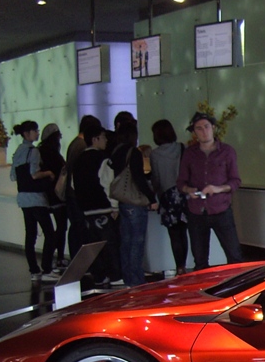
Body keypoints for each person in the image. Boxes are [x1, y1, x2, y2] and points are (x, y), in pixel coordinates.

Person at [176, 111, 244, 269]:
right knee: (200, 259)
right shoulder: (190, 153)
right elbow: (180, 182)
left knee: (234, 255)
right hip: (196, 211)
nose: (203, 131)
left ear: (213, 128)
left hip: (221, 208)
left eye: (206, 127)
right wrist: (188, 190)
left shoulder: (227, 151)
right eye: (198, 128)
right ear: (194, 132)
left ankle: (237, 284)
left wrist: (218, 189)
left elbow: (235, 181)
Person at [70, 121, 120, 285]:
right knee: (110, 243)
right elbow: (109, 184)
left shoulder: (79, 160)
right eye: (103, 137)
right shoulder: (102, 159)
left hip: (86, 210)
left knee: (92, 245)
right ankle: (115, 276)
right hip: (103, 208)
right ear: (95, 139)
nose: (106, 140)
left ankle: (99, 276)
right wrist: (114, 206)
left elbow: (73, 185)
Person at [109, 121, 157, 287]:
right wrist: (151, 198)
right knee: (137, 242)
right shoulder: (133, 153)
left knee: (126, 241)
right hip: (135, 202)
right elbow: (138, 178)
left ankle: (128, 277)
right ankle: (137, 279)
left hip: (122, 201)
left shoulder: (115, 152)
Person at [10, 120, 57, 282]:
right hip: (36, 197)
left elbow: (13, 176)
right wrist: (49, 173)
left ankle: (34, 270)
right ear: (27, 133)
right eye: (35, 131)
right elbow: (34, 174)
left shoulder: (18, 151)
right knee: (50, 234)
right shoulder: (34, 151)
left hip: (23, 198)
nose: (37, 133)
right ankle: (47, 269)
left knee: (30, 235)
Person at [149, 118, 189, 275]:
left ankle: (179, 266)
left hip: (167, 196)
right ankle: (184, 266)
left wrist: (156, 195)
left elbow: (156, 179)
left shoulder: (155, 154)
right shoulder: (182, 148)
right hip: (183, 194)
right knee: (183, 232)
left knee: (174, 235)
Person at [64, 114, 101, 259]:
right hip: (76, 193)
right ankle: (80, 263)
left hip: (71, 193)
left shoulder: (74, 143)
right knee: (80, 229)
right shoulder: (82, 146)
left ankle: (77, 262)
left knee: (76, 228)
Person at [37, 123, 68, 269]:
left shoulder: (40, 152)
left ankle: (52, 259)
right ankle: (58, 258)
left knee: (56, 228)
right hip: (58, 194)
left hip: (47, 194)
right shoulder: (53, 153)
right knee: (61, 227)